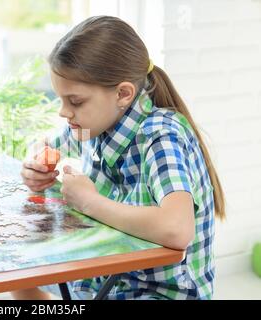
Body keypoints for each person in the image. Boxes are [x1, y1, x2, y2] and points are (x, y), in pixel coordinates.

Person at [13, 16, 225, 300]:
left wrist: (89, 202)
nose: (64, 112)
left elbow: (177, 229)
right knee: (19, 276)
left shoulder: (161, 138)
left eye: (74, 101)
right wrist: (34, 164)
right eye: (60, 99)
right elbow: (44, 144)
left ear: (123, 94)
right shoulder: (94, 122)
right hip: (111, 277)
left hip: (164, 292)